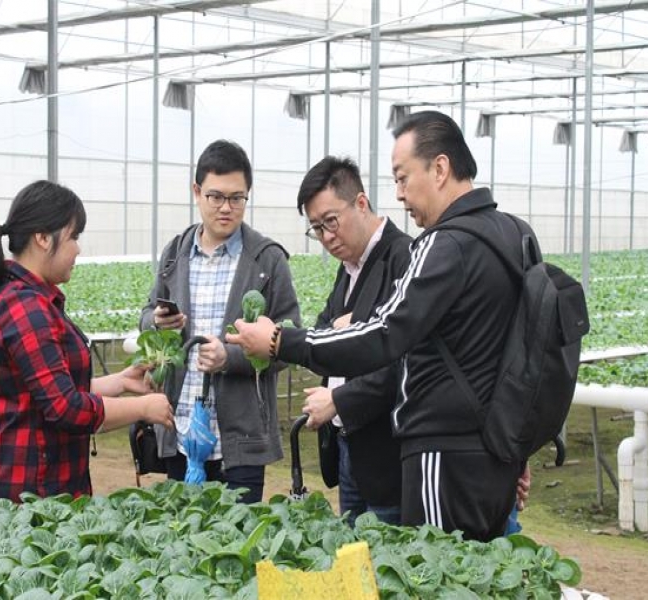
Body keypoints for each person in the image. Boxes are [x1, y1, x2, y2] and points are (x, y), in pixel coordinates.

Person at [227, 111, 535, 541]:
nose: (401, 195)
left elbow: (385, 335)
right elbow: (528, 356)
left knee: (435, 571)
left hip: (443, 456)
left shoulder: (442, 244)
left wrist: (280, 340)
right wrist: (519, 445)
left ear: (440, 169)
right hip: (492, 453)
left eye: (403, 178)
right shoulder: (515, 234)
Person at [0, 180, 173, 502]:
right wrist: (143, 407)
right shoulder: (25, 308)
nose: (78, 248)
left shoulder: (33, 301)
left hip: (47, 485)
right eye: (74, 236)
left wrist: (119, 382)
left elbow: (47, 392)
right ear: (42, 237)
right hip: (31, 495)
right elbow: (65, 409)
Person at [139, 139, 301, 504]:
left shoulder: (267, 261)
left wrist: (232, 358)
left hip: (238, 437)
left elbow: (290, 343)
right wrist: (157, 322)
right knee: (183, 540)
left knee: (234, 546)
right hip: (180, 431)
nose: (226, 208)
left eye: (237, 198)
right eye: (216, 196)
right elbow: (146, 315)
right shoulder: (175, 253)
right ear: (197, 192)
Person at [297, 156, 411, 527]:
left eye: (331, 221)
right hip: (349, 447)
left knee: (384, 565)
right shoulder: (348, 268)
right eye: (316, 228)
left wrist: (339, 399)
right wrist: (344, 326)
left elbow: (401, 360)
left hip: (388, 457)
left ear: (361, 203)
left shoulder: (403, 257)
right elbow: (324, 329)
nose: (327, 236)